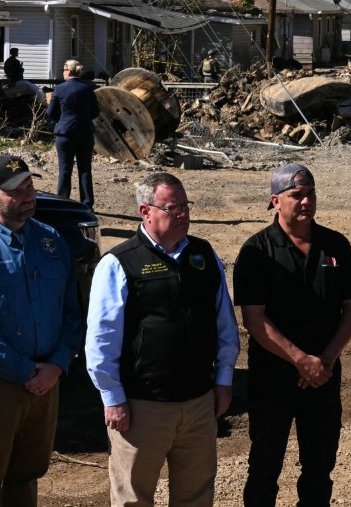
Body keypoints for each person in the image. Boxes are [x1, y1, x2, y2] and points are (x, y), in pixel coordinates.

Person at [85, 172, 239, 507]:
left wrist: (224, 378)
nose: (184, 214)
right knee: (133, 500)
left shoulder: (203, 255)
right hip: (142, 410)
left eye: (186, 206)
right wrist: (112, 398)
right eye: (174, 208)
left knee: (197, 496)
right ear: (146, 212)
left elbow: (225, 323)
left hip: (199, 405)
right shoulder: (118, 264)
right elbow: (101, 340)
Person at [0, 154, 81, 507]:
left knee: (27, 475)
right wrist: (25, 371)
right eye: (15, 191)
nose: (27, 196)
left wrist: (57, 364)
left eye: (30, 186)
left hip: (47, 381)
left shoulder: (51, 241)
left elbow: (72, 311)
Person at [235, 164, 351, 507]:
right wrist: (300, 360)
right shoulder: (256, 251)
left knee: (319, 471)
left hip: (323, 379)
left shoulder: (336, 245)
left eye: (311, 194)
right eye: (296, 195)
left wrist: (325, 360)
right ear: (275, 201)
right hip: (272, 381)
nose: (306, 201)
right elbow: (254, 318)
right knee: (264, 470)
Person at [48, 59, 100, 208]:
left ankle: (62, 202)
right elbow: (96, 111)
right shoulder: (88, 88)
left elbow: (51, 113)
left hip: (65, 134)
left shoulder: (59, 89)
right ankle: (87, 204)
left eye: (64, 70)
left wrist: (62, 119)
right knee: (85, 170)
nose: (62, 73)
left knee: (65, 170)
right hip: (85, 133)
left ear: (68, 71)